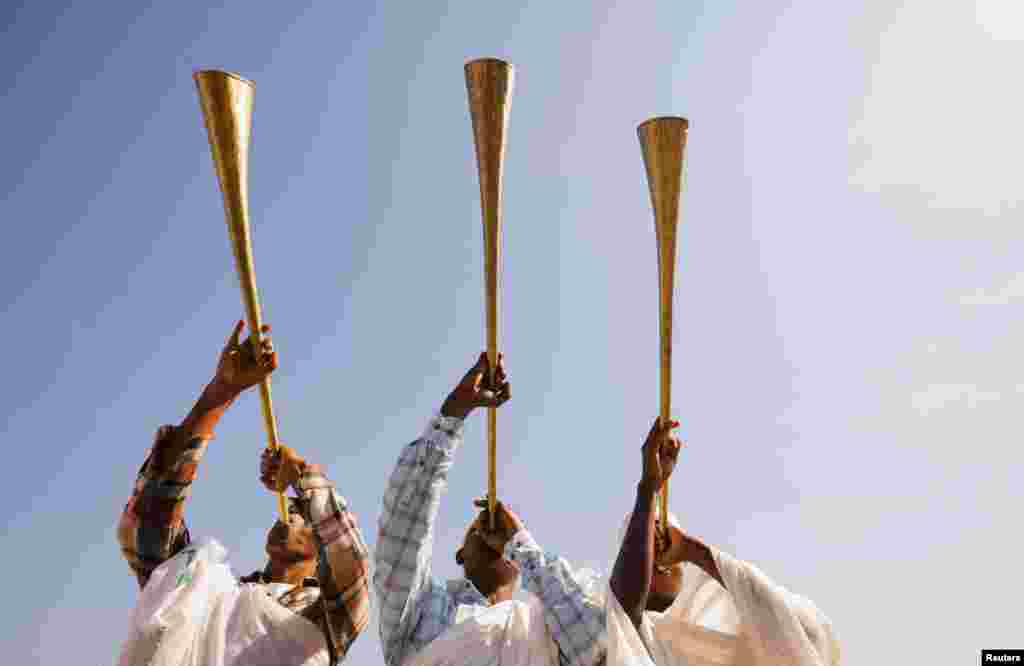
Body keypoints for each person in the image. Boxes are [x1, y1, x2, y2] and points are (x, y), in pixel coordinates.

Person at [116, 320, 370, 665]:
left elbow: (349, 562)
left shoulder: (328, 617)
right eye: (291, 509)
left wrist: (301, 476)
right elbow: (146, 527)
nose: (291, 513)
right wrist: (220, 393)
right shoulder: (204, 594)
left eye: (304, 514)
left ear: (321, 543)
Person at [373, 353, 607, 666]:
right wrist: (453, 413)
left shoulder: (540, 632)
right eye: (478, 529)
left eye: (502, 531)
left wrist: (522, 546)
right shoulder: (422, 609)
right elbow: (403, 528)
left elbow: (598, 647)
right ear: (460, 554)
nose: (491, 529)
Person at [606, 419, 842, 665]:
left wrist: (693, 550)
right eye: (645, 544)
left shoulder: (729, 637)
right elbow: (623, 611)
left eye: (663, 541)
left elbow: (803, 638)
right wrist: (648, 489)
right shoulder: (621, 632)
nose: (656, 553)